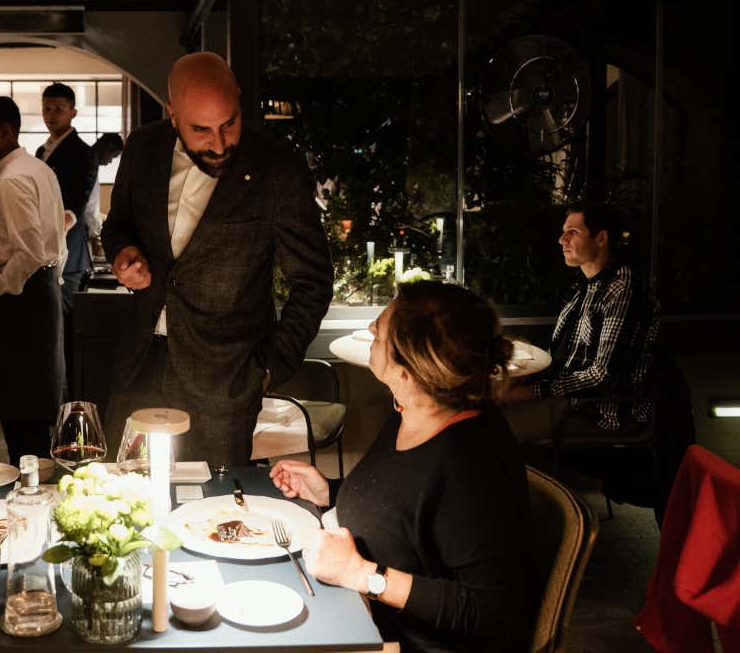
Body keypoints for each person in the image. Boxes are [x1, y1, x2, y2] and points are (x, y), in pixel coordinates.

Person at [271, 281, 530, 653]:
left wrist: (362, 575)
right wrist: (330, 492)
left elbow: (493, 614)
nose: (372, 328)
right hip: (362, 614)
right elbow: (407, 504)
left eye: (382, 326)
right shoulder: (412, 409)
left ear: (410, 368)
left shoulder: (470, 463)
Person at [100, 52, 332, 465]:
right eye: (201, 130)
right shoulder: (142, 149)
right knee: (124, 499)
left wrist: (267, 369)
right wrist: (123, 254)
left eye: (229, 123)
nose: (220, 143)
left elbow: (313, 282)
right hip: (138, 365)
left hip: (226, 380)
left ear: (239, 99)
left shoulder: (278, 170)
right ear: (172, 114)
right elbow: (117, 224)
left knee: (217, 507)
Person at [0, 96, 66, 464]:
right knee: (32, 412)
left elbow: (31, 252)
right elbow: (56, 242)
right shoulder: (37, 168)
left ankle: (32, 495)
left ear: (7, 130)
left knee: (22, 415)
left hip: (24, 299)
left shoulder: (15, 178)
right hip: (42, 291)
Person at [496, 202, 660, 441]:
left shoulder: (623, 290)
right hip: (567, 402)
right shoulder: (585, 289)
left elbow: (603, 375)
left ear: (601, 238)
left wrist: (529, 392)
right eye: (563, 231)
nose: (562, 239)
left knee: (490, 430)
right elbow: (560, 357)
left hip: (598, 412)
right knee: (483, 411)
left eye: (573, 232)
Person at [36, 82, 99, 394]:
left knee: (66, 332)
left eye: (59, 109)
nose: (51, 115)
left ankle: (72, 401)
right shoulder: (40, 151)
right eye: (47, 108)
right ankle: (54, 395)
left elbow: (76, 203)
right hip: (43, 252)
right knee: (49, 333)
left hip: (68, 255)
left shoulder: (83, 154)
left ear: (73, 112)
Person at [83, 132, 124, 251]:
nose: (110, 162)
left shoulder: (88, 160)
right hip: (81, 227)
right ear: (107, 148)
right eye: (112, 156)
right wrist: (99, 231)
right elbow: (89, 207)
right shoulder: (89, 164)